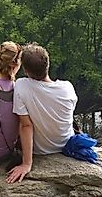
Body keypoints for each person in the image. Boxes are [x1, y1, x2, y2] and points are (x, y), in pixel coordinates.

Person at [6, 43, 78, 183]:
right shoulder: (67, 87)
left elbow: (26, 126)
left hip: (40, 150)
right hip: (65, 144)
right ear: (48, 65)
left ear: (26, 70)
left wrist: (27, 164)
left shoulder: (21, 85)